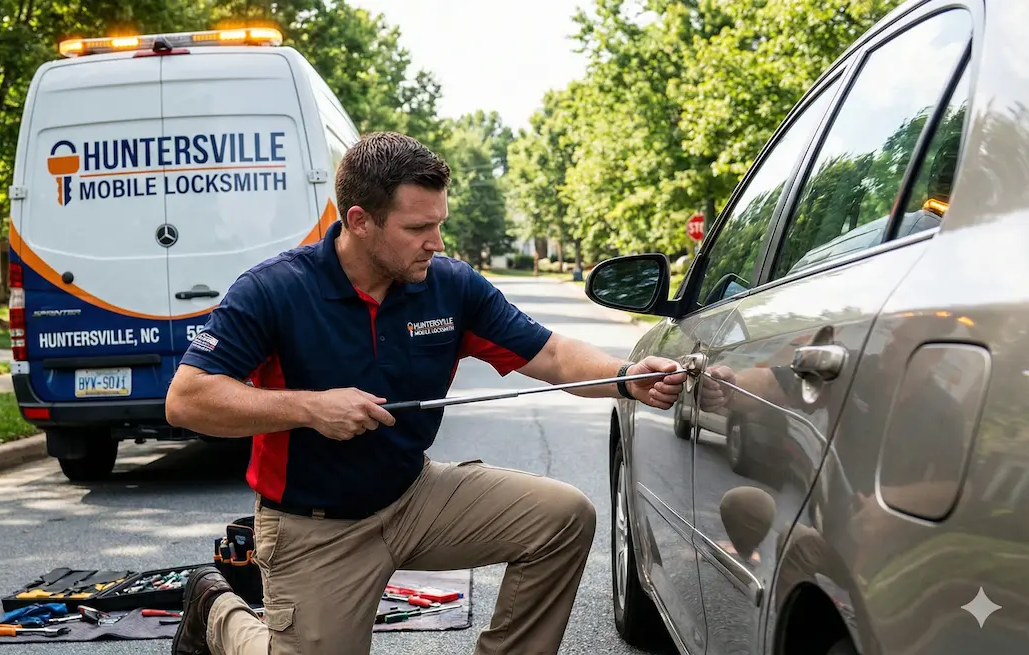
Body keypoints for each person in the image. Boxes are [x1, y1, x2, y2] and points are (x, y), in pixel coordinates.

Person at [163, 131, 687, 655]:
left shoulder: (449, 285)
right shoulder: (274, 289)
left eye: (438, 224)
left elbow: (549, 353)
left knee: (563, 518)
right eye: (417, 228)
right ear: (360, 221)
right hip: (315, 524)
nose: (435, 242)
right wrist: (311, 407)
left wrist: (624, 376)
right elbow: (187, 399)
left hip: (412, 496)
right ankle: (217, 611)